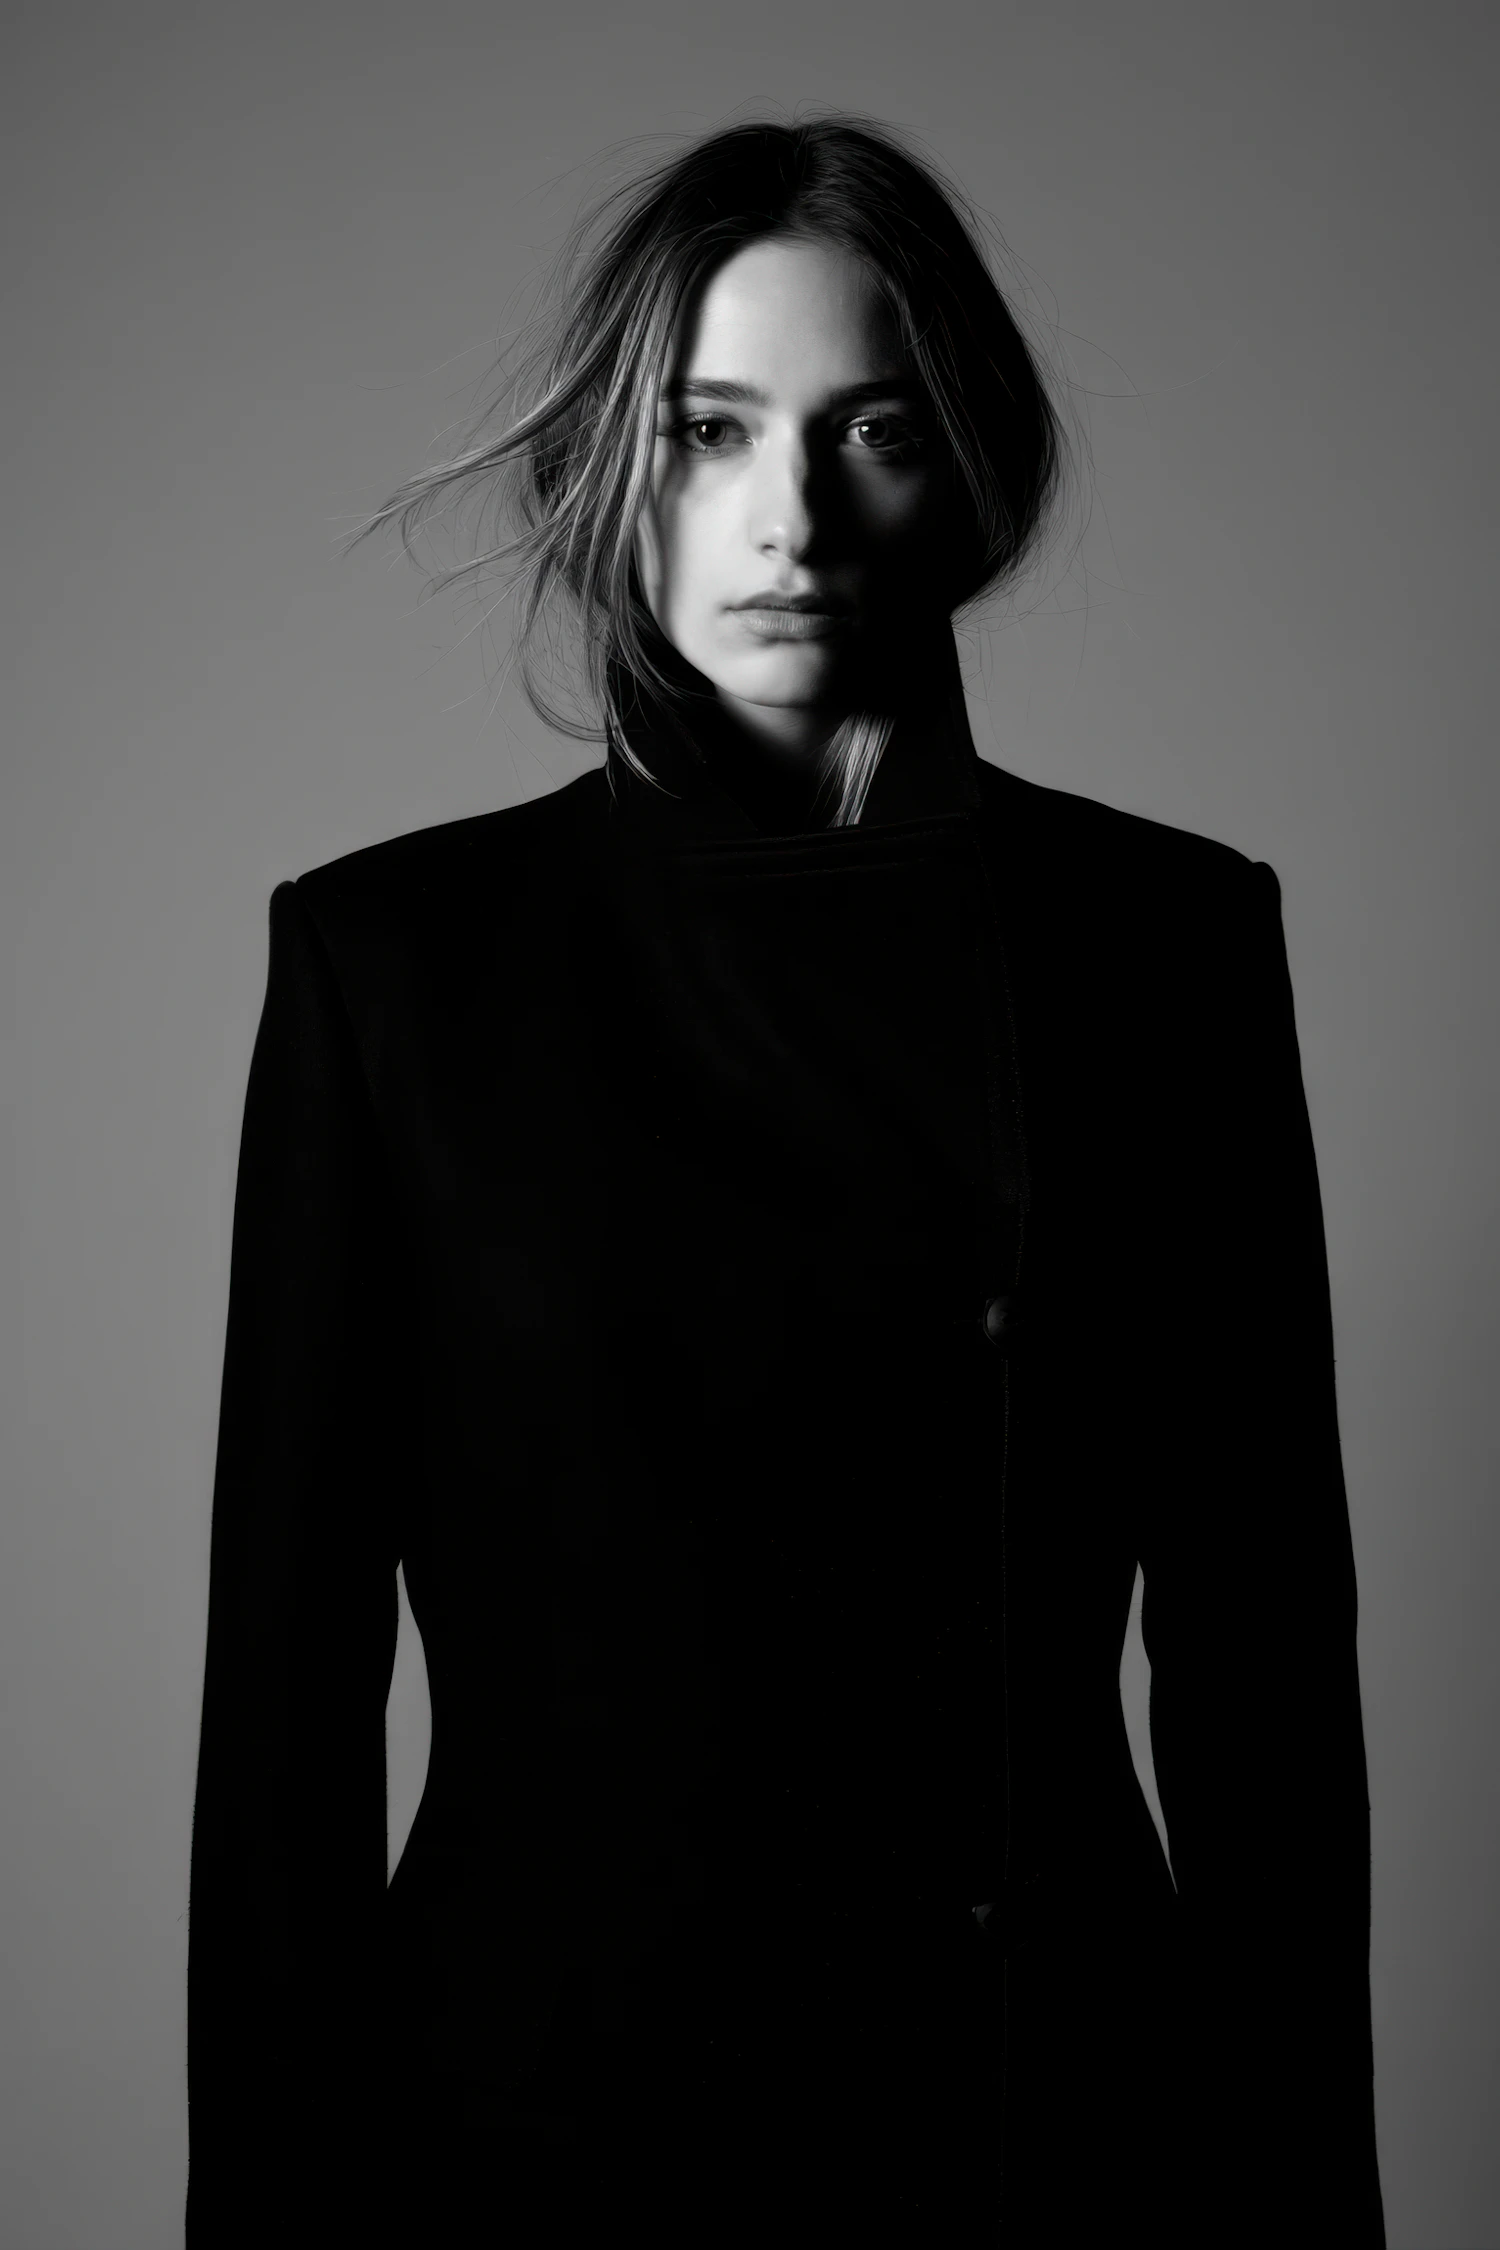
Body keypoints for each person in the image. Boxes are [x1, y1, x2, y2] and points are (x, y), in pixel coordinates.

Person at [185, 115, 1386, 2245]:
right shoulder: (395, 966)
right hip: (532, 2147)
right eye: (710, 431)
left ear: (973, 470)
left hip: (1039, 2139)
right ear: (612, 474)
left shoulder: (1168, 947)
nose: (793, 517)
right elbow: (281, 1733)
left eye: (875, 430)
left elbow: (1266, 1699)